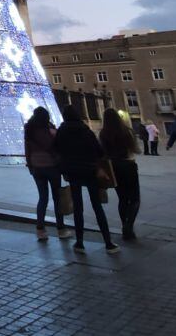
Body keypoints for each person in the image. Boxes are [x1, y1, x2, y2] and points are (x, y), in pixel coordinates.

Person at [54, 105, 118, 254]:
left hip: (72, 172)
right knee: (97, 206)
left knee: (78, 207)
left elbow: (56, 150)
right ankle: (108, 243)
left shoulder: (61, 131)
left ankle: (79, 243)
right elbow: (99, 151)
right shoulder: (85, 130)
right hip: (90, 171)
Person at [24, 107, 69, 241]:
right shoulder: (49, 130)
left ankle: (40, 229)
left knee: (42, 198)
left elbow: (27, 150)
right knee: (57, 198)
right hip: (52, 166)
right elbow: (58, 145)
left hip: (37, 168)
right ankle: (60, 228)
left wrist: (30, 166)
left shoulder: (29, 130)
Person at [99, 109, 141, 241]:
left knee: (122, 199)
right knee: (134, 199)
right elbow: (136, 149)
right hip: (128, 165)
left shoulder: (103, 133)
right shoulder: (127, 131)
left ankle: (124, 226)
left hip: (113, 168)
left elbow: (102, 153)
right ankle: (129, 226)